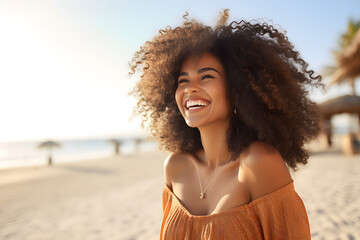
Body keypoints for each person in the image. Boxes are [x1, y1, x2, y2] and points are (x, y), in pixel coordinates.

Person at [129, 9, 324, 240]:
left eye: (206, 76)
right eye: (183, 80)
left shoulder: (258, 162)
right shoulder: (175, 167)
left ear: (238, 90)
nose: (190, 88)